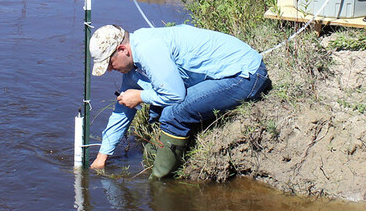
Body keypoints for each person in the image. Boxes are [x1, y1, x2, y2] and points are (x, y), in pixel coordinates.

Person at [89, 24, 269, 178]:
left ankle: (159, 183)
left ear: (122, 50)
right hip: (222, 75)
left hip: (245, 75)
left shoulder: (148, 49)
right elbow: (122, 111)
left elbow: (175, 95)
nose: (110, 70)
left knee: (172, 114)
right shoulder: (132, 64)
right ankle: (156, 159)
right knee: (156, 111)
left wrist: (140, 96)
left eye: (110, 63)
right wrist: (101, 158)